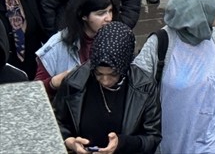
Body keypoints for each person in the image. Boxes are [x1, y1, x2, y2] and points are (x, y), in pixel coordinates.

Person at [133, 0, 215, 154]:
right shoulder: (161, 43)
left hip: (213, 137)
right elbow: (135, 84)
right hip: (175, 138)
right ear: (200, 13)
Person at [52, 21, 162, 154]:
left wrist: (122, 143)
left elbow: (153, 137)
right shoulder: (74, 81)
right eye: (98, 73)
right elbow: (56, 121)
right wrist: (69, 141)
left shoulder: (144, 86)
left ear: (124, 67)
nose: (105, 81)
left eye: (113, 74)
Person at [34, 0, 116, 93]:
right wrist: (55, 82)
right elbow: (36, 91)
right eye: (101, 13)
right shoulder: (56, 46)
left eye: (110, 11)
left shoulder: (116, 38)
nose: (109, 18)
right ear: (83, 16)